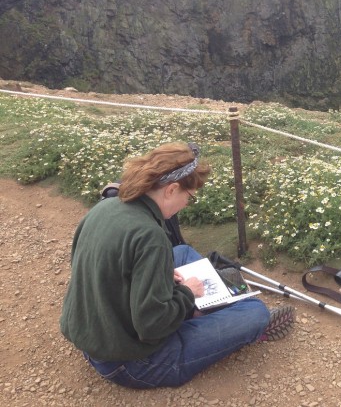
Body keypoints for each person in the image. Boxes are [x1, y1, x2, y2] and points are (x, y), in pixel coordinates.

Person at [60, 142, 293, 389]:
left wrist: (157, 275)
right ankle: (219, 313)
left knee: (180, 253)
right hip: (132, 362)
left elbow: (103, 270)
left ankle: (206, 306)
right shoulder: (150, 236)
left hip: (93, 336)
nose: (186, 204)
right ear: (171, 189)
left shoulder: (107, 206)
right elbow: (152, 327)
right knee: (255, 312)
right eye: (189, 197)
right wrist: (186, 294)